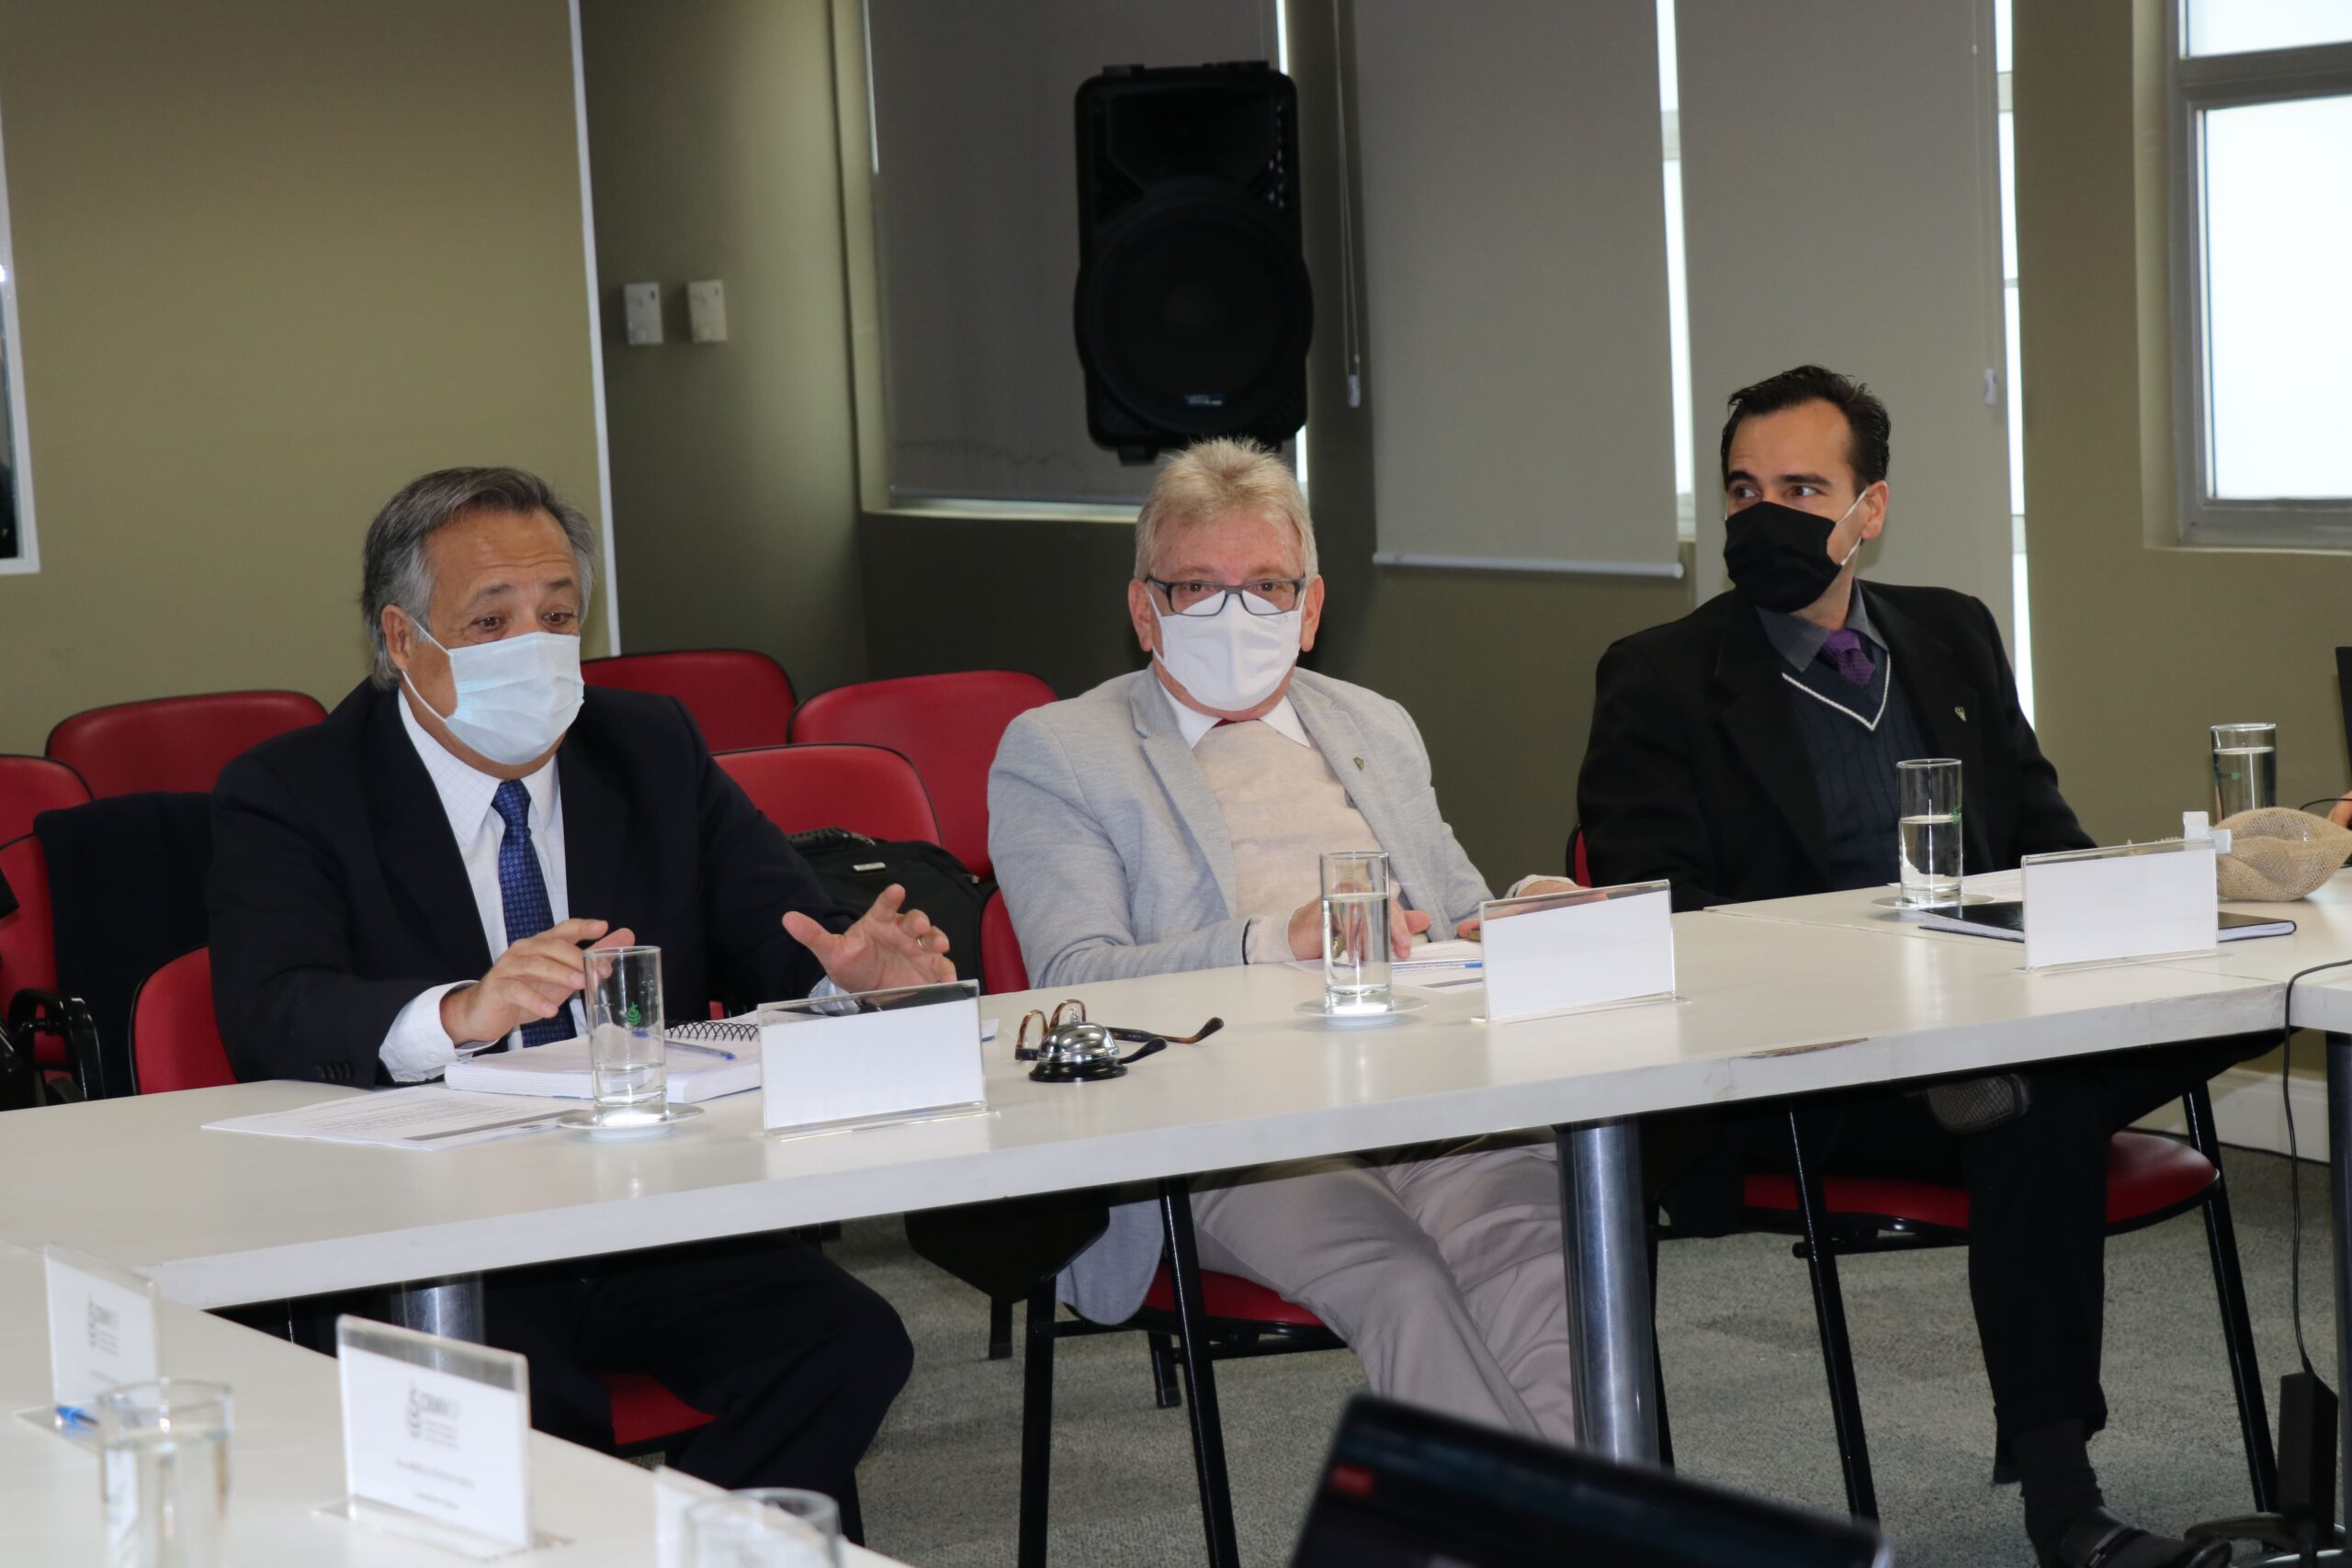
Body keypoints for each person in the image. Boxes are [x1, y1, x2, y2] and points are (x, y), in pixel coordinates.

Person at [1577, 366, 2262, 1568]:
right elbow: (1666, 918)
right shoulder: (1662, 672)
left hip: (1998, 1022)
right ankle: (2066, 1505)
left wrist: (2163, 897)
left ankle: (2007, 1073)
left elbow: (2048, 844)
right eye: (1744, 489)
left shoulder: (1950, 631)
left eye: (1802, 487)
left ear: (1869, 508)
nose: (1764, 517)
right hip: (1814, 1065)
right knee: (2038, 1101)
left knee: (2246, 987)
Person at [209, 467, 943, 1502]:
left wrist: (847, 980)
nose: (535, 648)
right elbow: (270, 1008)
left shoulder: (648, 747)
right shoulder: (293, 789)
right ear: (401, 639)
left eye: (558, 617)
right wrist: (461, 1012)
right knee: (528, 1425)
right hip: (434, 1239)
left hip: (642, 1212)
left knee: (846, 1346)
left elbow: (779, 935)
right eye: (490, 620)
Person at [989, 437, 1581, 1444]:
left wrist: (1525, 913)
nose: (1236, 615)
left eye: (1265, 587)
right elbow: (1072, 985)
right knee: (1401, 1282)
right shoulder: (1061, 752)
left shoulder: (1374, 725)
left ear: (1309, 609)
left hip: (1429, 1097)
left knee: (1548, 1259)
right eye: (1197, 589)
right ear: (1145, 610)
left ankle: (1580, 1536)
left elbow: (1456, 915)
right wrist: (1275, 940)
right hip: (1236, 1135)